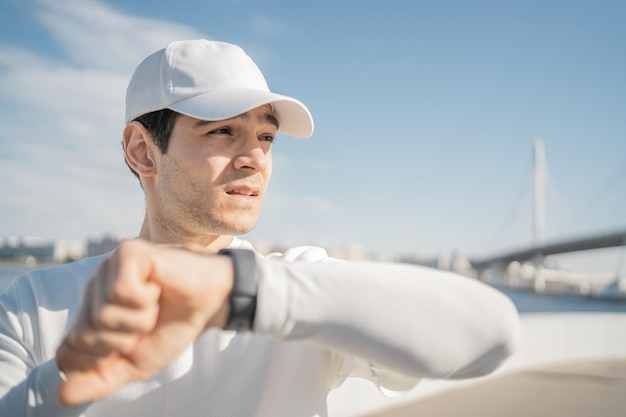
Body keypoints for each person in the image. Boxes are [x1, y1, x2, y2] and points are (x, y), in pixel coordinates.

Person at [0, 39, 520, 417]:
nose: (255, 159)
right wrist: (68, 379)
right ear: (142, 151)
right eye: (223, 131)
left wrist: (237, 292)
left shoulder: (297, 286)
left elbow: (492, 331)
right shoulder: (33, 305)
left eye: (266, 137)